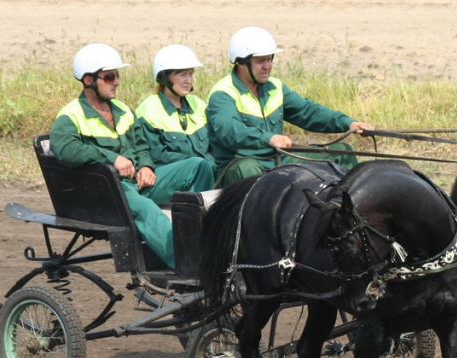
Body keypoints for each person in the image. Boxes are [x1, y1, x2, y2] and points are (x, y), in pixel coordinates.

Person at [51, 43, 213, 269]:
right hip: (108, 189)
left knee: (198, 166)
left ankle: (204, 239)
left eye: (116, 76)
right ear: (88, 80)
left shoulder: (123, 110)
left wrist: (146, 166)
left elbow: (140, 145)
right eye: (109, 77)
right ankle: (189, 265)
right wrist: (112, 158)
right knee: (147, 209)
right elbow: (66, 150)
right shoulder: (71, 115)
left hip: (135, 181)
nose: (117, 82)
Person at [206, 26, 373, 186]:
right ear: (241, 63)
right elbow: (229, 130)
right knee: (247, 168)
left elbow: (308, 111)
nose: (267, 66)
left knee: (341, 151)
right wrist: (269, 138)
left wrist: (349, 123)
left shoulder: (275, 87)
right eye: (260, 61)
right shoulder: (223, 93)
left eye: (269, 59)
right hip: (239, 165)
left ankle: (345, 210)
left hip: (279, 159)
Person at [135, 45, 216, 182]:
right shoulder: (149, 109)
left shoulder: (198, 104)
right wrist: (203, 164)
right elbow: (157, 156)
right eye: (182, 75)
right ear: (164, 78)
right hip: (174, 178)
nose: (188, 80)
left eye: (191, 74)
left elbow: (215, 143)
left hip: (206, 171)